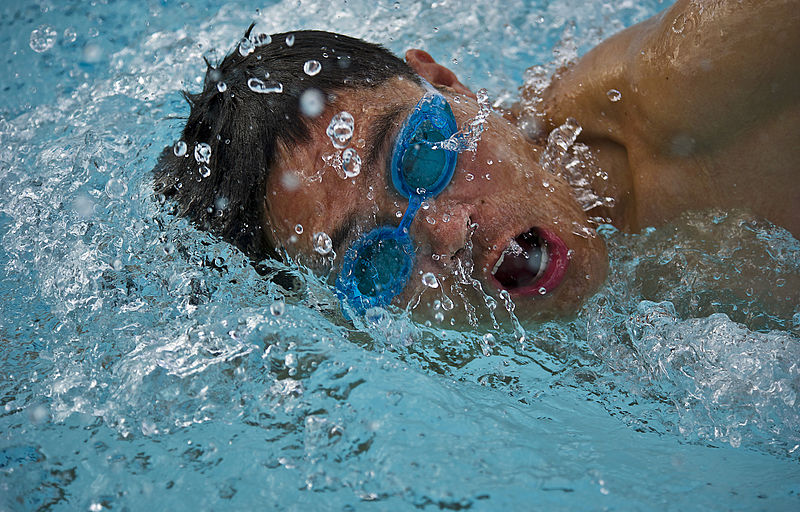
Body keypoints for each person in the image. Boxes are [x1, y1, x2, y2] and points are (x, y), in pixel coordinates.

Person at [153, 0, 799, 322]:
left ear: (449, 85)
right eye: (375, 262)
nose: (443, 231)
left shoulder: (698, 87)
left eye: (422, 151)